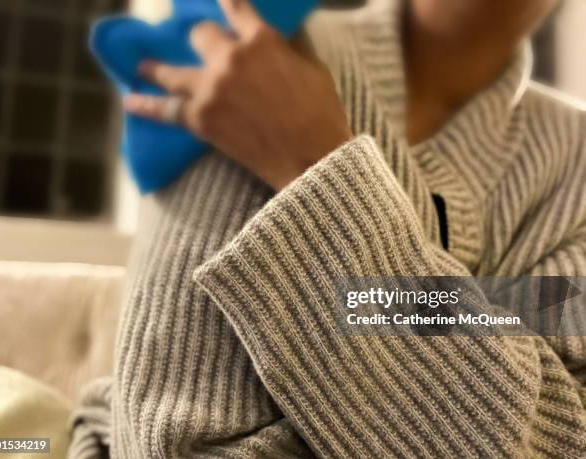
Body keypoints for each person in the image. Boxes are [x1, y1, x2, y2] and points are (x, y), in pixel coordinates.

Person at [70, 0, 586, 457]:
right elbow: (175, 443)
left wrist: (313, 165)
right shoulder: (250, 58)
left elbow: (554, 441)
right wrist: (485, 332)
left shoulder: (577, 161)